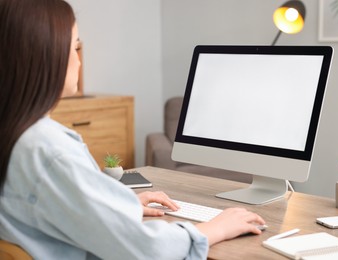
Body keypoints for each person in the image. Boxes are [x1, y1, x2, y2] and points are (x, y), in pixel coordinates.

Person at [0, 0, 266, 259]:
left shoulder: (16, 135)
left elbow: (53, 208)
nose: (79, 60)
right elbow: (147, 250)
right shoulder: (48, 151)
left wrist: (116, 205)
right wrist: (213, 228)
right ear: (47, 56)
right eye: (74, 47)